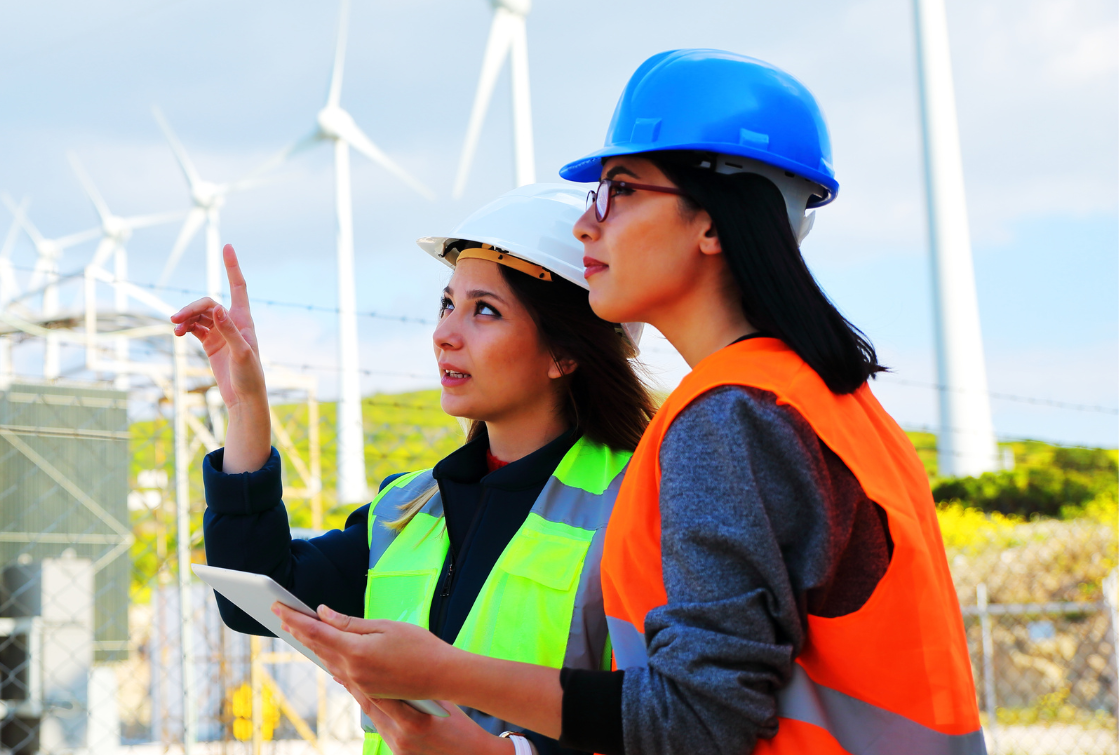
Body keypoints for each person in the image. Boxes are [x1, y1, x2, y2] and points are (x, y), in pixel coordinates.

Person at [277, 49, 984, 755]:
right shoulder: (822, 398)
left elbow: (702, 718)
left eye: (620, 189)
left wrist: (446, 673)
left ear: (713, 224)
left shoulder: (731, 416)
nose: (588, 225)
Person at [171, 183, 657, 755]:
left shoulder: (641, 504)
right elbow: (256, 599)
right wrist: (246, 410)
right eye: (448, 304)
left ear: (565, 353)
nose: (444, 334)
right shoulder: (406, 509)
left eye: (485, 311)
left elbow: (671, 720)